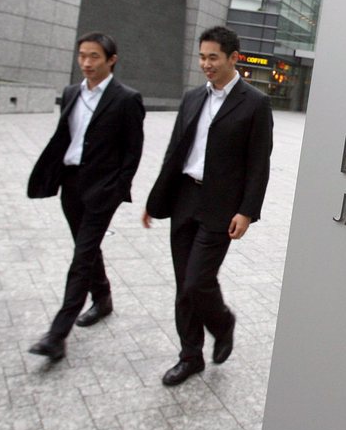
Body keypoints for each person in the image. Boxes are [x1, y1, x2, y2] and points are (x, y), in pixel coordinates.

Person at [143, 26, 272, 386]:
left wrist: (247, 211)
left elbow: (259, 164)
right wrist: (156, 201)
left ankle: (222, 323)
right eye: (202, 57)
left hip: (221, 206)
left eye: (213, 57)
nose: (206, 64)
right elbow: (174, 152)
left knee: (196, 282)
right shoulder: (192, 98)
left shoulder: (255, 104)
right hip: (185, 196)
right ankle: (190, 356)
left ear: (234, 58)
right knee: (183, 282)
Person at [26, 32, 144, 360]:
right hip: (70, 184)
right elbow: (65, 137)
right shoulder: (70, 93)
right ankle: (103, 299)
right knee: (85, 247)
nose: (87, 63)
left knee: (81, 257)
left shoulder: (126, 99)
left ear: (111, 60)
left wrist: (117, 190)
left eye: (94, 57)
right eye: (82, 56)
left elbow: (133, 152)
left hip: (102, 189)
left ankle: (57, 335)